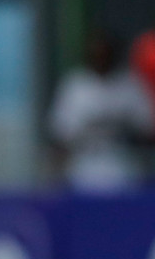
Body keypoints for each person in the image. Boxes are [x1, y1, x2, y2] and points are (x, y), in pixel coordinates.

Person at [50, 31, 154, 194]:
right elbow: (60, 137)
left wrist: (123, 128)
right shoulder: (75, 86)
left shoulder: (131, 85)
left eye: (105, 54)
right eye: (96, 55)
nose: (101, 59)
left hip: (125, 172)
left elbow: (148, 132)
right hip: (83, 174)